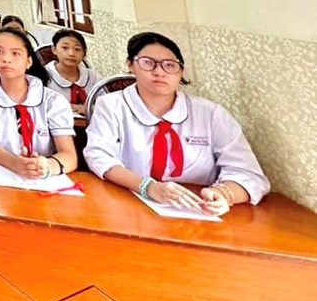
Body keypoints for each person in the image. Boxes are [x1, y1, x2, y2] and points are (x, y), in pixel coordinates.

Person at [84, 32, 269, 214]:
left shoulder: (211, 114)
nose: (159, 72)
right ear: (130, 65)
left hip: (195, 210)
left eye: (170, 65)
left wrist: (224, 194)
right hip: (128, 205)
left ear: (181, 72)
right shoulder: (111, 105)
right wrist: (148, 187)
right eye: (148, 62)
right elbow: (99, 155)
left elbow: (248, 173)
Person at [0, 29, 77, 180]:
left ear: (28, 61)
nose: (6, 59)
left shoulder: (53, 101)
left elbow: (69, 155)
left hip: (42, 179)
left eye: (15, 53)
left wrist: (45, 166)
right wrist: (16, 164)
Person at [45, 29, 101, 116]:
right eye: (65, 48)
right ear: (54, 49)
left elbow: (107, 104)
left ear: (84, 53)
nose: (71, 53)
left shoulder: (92, 76)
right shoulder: (43, 76)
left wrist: (89, 109)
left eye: (77, 49)